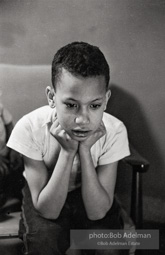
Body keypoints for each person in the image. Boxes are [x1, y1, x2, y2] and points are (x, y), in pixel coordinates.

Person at [7, 42, 130, 255]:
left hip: (91, 194)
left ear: (106, 100)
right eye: (71, 105)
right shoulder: (29, 128)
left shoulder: (115, 130)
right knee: (44, 242)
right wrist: (67, 151)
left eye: (94, 105)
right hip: (46, 194)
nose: (82, 120)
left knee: (109, 247)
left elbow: (97, 213)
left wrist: (84, 151)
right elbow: (48, 211)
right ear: (52, 98)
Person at [0, 98, 23, 207]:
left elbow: (9, 125)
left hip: (6, 151)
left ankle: (19, 195)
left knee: (21, 166)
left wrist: (13, 149)